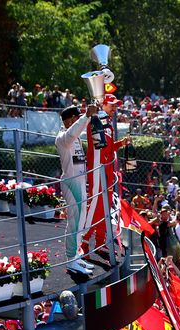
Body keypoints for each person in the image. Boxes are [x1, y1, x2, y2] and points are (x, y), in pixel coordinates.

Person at [82, 94, 132, 258]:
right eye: (112, 105)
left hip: (107, 171)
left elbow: (108, 149)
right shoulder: (95, 120)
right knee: (95, 204)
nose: (115, 108)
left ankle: (100, 242)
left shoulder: (107, 123)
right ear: (102, 104)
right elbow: (97, 148)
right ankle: (83, 242)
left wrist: (121, 144)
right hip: (98, 169)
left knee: (105, 206)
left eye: (116, 105)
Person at [55, 105, 97, 275]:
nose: (78, 121)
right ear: (69, 120)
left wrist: (86, 117)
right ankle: (71, 258)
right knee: (74, 221)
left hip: (79, 182)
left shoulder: (76, 138)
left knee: (81, 221)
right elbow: (72, 133)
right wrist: (86, 116)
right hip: (71, 183)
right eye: (75, 118)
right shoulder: (62, 138)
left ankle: (77, 255)